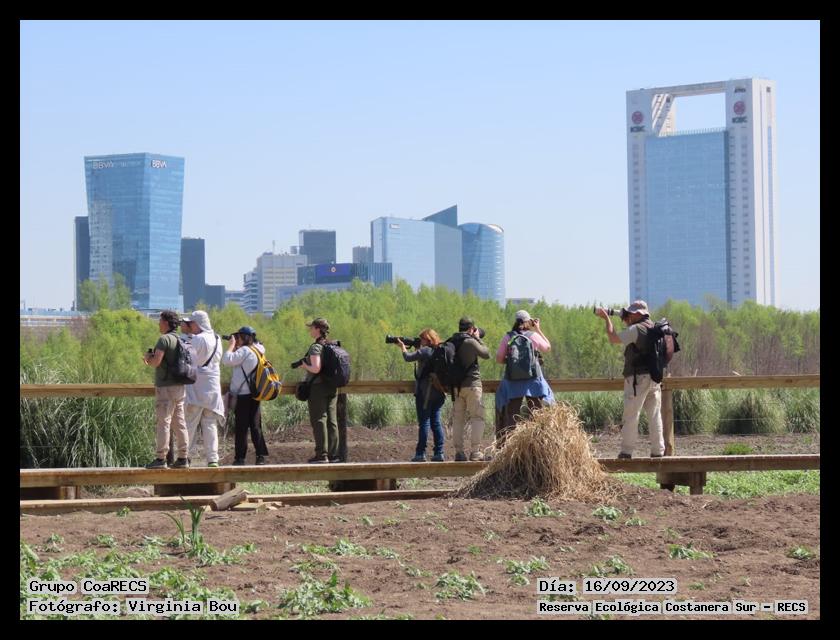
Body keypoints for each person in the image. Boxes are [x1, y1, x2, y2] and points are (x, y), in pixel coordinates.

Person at [595, 301, 665, 459]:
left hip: (637, 379)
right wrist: (627, 320)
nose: (629, 315)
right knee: (654, 415)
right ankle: (658, 451)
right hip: (654, 378)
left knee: (631, 415)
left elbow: (613, 338)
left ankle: (626, 451)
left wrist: (607, 319)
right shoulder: (654, 327)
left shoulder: (636, 329)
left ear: (639, 314)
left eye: (631, 313)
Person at [494, 310, 555, 448]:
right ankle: (538, 446)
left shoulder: (508, 337)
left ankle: (509, 448)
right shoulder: (533, 335)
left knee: (512, 415)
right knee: (537, 414)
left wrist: (512, 363)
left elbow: (498, 359)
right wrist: (538, 329)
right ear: (528, 321)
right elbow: (547, 348)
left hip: (513, 381)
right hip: (533, 380)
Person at [142, 310, 189, 469]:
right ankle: (183, 458)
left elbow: (156, 362)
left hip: (165, 388)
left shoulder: (164, 340)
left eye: (160, 321)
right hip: (179, 386)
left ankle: (161, 459)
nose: (158, 323)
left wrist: (148, 359)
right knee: (179, 422)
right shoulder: (180, 339)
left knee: (163, 422)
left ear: (166, 323)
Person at [393, 329, 446, 462]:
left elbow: (407, 357)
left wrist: (402, 347)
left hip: (425, 393)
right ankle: (439, 452)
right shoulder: (439, 350)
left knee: (424, 423)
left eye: (422, 339)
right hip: (439, 392)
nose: (420, 341)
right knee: (436, 423)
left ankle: (420, 453)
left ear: (427, 340)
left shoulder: (425, 351)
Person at [180, 310, 224, 468]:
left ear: (197, 323)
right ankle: (213, 459)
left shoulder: (198, 339)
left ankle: (185, 457)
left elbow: (185, 357)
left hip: (196, 388)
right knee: (210, 424)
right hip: (213, 388)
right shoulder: (217, 339)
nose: (189, 326)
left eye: (191, 323)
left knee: (190, 423)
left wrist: (184, 334)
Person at [221, 326, 269, 465]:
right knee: (255, 425)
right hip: (255, 393)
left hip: (243, 394)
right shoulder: (258, 349)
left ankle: (240, 458)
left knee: (241, 427)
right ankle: (261, 456)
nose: (237, 339)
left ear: (245, 337)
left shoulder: (244, 351)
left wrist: (231, 346)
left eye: (239, 337)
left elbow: (226, 360)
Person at [297, 318, 340, 464]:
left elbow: (316, 368)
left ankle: (322, 455)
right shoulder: (331, 344)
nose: (310, 330)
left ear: (318, 329)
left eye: (312, 328)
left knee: (319, 420)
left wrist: (304, 366)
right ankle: (334, 455)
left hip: (318, 387)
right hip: (332, 386)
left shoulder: (316, 347)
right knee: (332, 421)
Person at [448, 317, 490, 461]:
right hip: (472, 385)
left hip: (456, 387)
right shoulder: (470, 342)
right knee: (477, 417)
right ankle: (475, 452)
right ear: (471, 329)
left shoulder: (451, 341)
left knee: (458, 420)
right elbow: (486, 354)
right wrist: (477, 338)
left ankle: (459, 452)